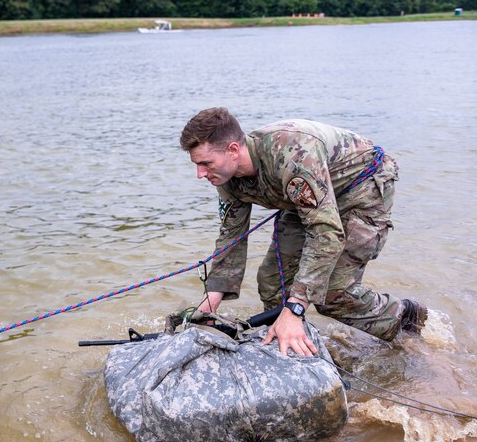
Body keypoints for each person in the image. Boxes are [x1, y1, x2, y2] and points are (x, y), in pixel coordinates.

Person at [180, 107, 427, 357]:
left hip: (360, 190)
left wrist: (296, 308)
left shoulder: (291, 155)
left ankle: (405, 318)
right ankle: (291, 345)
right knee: (272, 283)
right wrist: (209, 304)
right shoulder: (225, 177)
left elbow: (325, 232)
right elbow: (231, 237)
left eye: (205, 163)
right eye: (196, 164)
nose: (200, 174)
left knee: (331, 292)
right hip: (310, 200)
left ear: (233, 150)